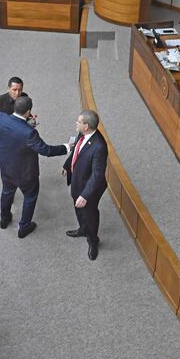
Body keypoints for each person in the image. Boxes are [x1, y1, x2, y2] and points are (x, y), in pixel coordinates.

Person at [0, 96, 69, 238]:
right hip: (26, 173)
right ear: (28, 112)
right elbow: (46, 150)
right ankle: (24, 226)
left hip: (6, 167)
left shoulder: (1, 118)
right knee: (30, 197)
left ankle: (4, 218)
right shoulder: (29, 132)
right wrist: (66, 147)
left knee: (7, 192)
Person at [62, 110, 108, 261]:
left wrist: (85, 195)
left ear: (86, 126)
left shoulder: (99, 146)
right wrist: (67, 165)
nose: (76, 123)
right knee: (78, 208)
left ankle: (93, 240)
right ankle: (82, 229)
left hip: (89, 189)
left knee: (90, 213)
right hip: (77, 182)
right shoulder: (83, 135)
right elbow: (76, 151)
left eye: (79, 121)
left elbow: (97, 175)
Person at [0, 77, 28, 150]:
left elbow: (26, 114)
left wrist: (30, 121)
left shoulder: (24, 96)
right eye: (14, 90)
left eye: (20, 90)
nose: (17, 93)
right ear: (8, 88)